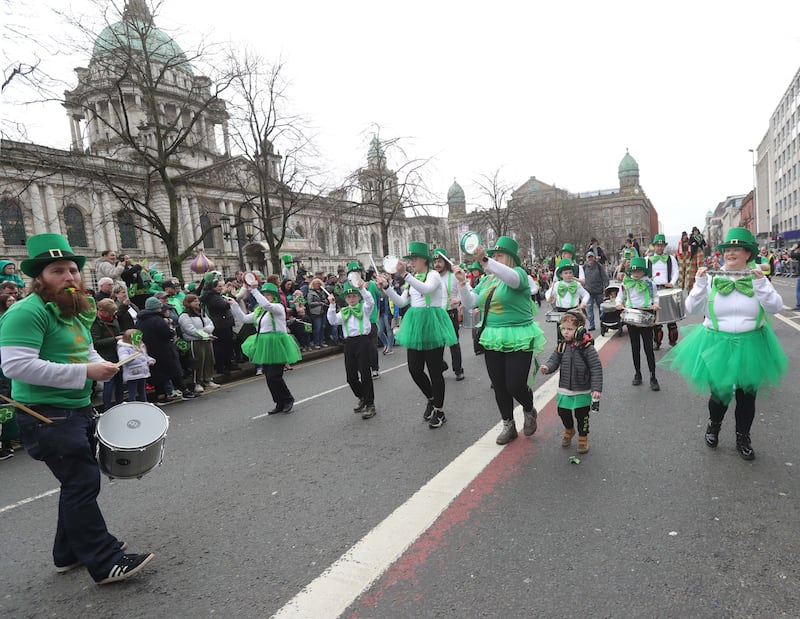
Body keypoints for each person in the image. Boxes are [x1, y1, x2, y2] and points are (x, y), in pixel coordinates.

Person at [0, 233, 154, 584]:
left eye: (72, 270)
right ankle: (105, 561)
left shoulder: (74, 309)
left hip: (76, 408)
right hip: (46, 414)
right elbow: (16, 367)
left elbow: (85, 351)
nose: (69, 277)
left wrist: (103, 364)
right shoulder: (26, 312)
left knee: (75, 484)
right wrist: (86, 372)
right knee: (82, 483)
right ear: (39, 278)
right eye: (58, 271)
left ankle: (67, 553)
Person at [661, 228, 788, 460]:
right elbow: (692, 308)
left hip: (752, 344)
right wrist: (698, 284)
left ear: (748, 254)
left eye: (736, 249)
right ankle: (714, 424)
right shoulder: (711, 278)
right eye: (727, 249)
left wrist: (761, 285)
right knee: (719, 394)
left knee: (747, 396)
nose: (730, 253)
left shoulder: (758, 279)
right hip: (717, 342)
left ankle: (743, 436)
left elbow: (775, 308)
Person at [456, 236, 545, 444]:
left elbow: (512, 279)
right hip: (493, 335)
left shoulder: (520, 274)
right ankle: (508, 424)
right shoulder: (486, 281)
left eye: (499, 255)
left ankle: (529, 408)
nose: (494, 258)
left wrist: (486, 261)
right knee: (499, 385)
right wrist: (462, 283)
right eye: (493, 255)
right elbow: (470, 303)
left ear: (510, 258)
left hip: (519, 334)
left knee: (515, 384)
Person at [378, 241, 456, 429]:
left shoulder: (433, 275)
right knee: (414, 369)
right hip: (415, 324)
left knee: (435, 370)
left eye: (414, 259)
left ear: (424, 260)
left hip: (432, 322)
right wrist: (386, 287)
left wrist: (405, 275)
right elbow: (401, 302)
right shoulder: (413, 278)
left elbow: (427, 289)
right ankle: (431, 397)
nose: (411, 262)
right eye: (410, 259)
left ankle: (440, 410)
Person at [230, 282, 301, 414]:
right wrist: (234, 305)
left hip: (276, 343)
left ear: (274, 296)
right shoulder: (259, 311)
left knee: (275, 376)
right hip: (263, 343)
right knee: (269, 376)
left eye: (269, 295)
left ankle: (287, 399)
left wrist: (254, 290)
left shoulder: (278, 307)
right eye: (265, 294)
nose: (266, 297)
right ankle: (279, 402)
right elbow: (244, 319)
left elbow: (267, 305)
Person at [540, 311, 602, 454]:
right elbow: (554, 360)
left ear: (579, 329)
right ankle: (569, 429)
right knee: (563, 412)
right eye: (563, 328)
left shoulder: (587, 348)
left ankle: (583, 437)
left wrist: (596, 388)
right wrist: (547, 367)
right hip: (565, 388)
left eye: (569, 329)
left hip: (582, 389)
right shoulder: (562, 346)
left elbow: (596, 367)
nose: (565, 332)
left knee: (582, 416)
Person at [327, 280, 377, 419]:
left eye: (354, 296)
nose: (351, 299)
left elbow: (370, 301)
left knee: (365, 375)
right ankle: (362, 397)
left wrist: (362, 289)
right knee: (351, 377)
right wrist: (331, 305)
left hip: (363, 341)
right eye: (348, 297)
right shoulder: (343, 312)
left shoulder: (365, 308)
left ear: (358, 297)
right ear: (346, 299)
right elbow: (332, 321)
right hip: (349, 343)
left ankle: (370, 404)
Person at [136, 296, 195, 403]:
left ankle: (161, 396)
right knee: (174, 372)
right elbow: (167, 334)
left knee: (158, 375)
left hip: (150, 351)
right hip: (164, 350)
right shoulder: (158, 320)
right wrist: (171, 332)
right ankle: (185, 392)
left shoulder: (139, 321)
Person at [615, 257, 660, 391]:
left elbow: (655, 296)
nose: (635, 274)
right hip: (631, 316)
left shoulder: (650, 283)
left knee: (648, 348)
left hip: (646, 316)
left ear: (643, 272)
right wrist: (618, 304)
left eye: (639, 271)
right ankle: (638, 373)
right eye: (633, 271)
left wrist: (656, 304)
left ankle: (653, 376)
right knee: (635, 348)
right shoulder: (625, 283)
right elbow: (619, 297)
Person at [432, 248, 464, 381]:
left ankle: (458, 370)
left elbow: (466, 291)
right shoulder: (432, 277)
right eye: (435, 262)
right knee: (436, 344)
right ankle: (441, 366)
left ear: (445, 262)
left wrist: (458, 300)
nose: (437, 264)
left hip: (451, 314)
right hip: (436, 314)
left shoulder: (454, 276)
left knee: (453, 344)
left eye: (439, 261)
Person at [179, 293, 219, 393]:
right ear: (188, 303)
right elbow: (189, 329)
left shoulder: (202, 312)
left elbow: (210, 324)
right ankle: (197, 382)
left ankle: (208, 379)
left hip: (206, 339)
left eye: (197, 300)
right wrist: (205, 334)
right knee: (197, 362)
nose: (197, 302)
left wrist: (205, 331)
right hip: (195, 341)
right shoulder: (185, 315)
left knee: (209, 360)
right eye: (194, 301)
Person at [646, 234, 680, 349]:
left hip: (668, 290)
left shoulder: (671, 259)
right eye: (657, 245)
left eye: (661, 245)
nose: (659, 248)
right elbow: (644, 274)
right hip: (654, 291)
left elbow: (676, 272)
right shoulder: (647, 260)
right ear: (654, 246)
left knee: (672, 319)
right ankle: (657, 342)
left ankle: (673, 341)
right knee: (656, 320)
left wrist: (672, 282)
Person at [90, 298, 124, 412]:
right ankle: (107, 409)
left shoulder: (113, 318)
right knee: (109, 384)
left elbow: (117, 333)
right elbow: (95, 343)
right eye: (110, 312)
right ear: (102, 311)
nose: (112, 315)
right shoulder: (95, 323)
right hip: (105, 356)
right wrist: (114, 339)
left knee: (120, 383)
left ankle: (120, 405)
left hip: (118, 354)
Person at [116, 329, 155, 402]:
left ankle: (145, 404)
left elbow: (145, 356)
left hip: (142, 372)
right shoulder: (124, 348)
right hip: (132, 374)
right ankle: (132, 405)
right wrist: (132, 357)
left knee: (142, 390)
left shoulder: (140, 346)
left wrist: (150, 360)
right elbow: (123, 359)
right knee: (132, 392)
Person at [583, 251, 609, 332]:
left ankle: (603, 324)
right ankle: (592, 325)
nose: (590, 259)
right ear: (586, 259)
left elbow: (604, 276)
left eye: (591, 257)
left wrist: (606, 286)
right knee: (589, 309)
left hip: (599, 290)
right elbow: (581, 278)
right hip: (588, 291)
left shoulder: (599, 266)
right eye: (589, 257)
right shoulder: (584, 267)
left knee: (601, 308)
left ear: (594, 258)